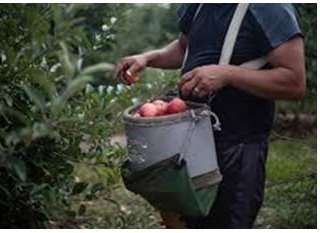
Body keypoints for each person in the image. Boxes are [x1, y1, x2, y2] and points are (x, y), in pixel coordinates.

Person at [114, 3, 306, 229]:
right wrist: (148, 57)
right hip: (187, 141)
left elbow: (294, 82)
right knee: (186, 221)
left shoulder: (269, 8)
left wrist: (228, 75)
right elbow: (185, 46)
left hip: (237, 146)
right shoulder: (197, 5)